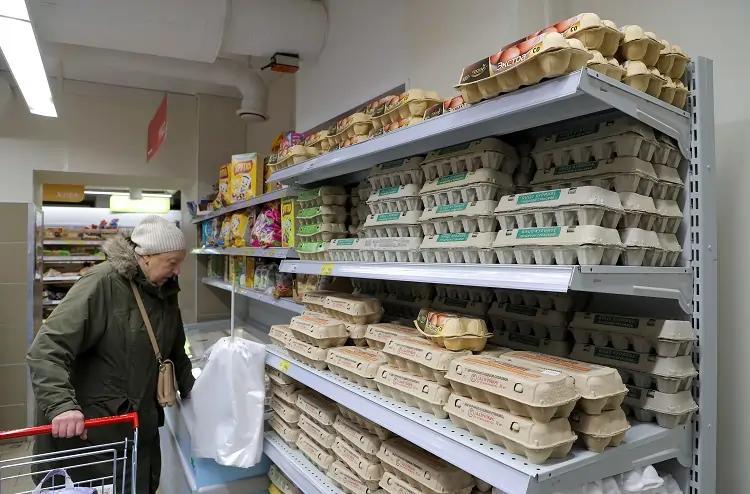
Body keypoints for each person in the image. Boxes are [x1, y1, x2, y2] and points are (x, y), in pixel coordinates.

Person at [27, 216, 195, 493]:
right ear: (146, 256)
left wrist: (194, 390)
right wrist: (62, 406)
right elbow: (46, 349)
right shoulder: (101, 284)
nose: (178, 270)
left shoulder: (164, 289)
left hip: (137, 428)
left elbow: (175, 347)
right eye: (172, 262)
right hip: (94, 436)